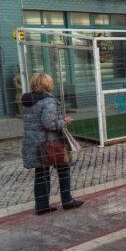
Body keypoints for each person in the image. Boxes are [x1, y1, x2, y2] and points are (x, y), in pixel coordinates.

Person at [21, 73, 83, 215]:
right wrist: (64, 122)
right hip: (50, 143)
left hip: (34, 143)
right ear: (47, 84)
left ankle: (41, 206)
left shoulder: (29, 101)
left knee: (41, 173)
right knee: (64, 168)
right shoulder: (48, 101)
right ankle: (67, 200)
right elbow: (48, 123)